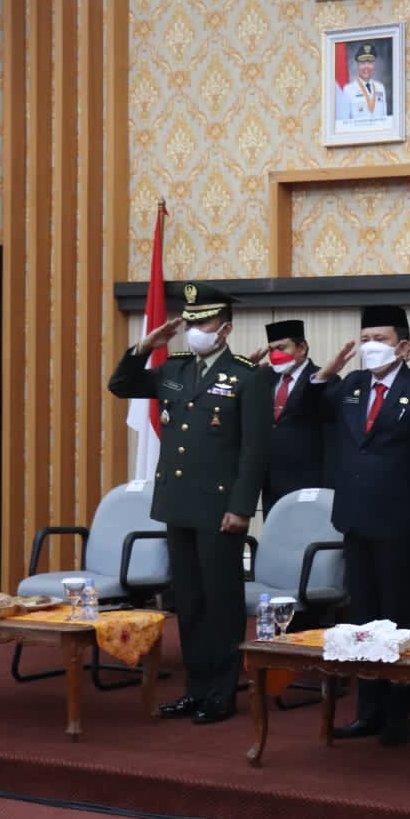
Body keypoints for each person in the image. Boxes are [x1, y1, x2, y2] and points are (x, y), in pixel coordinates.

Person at [107, 282, 269, 725]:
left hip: (220, 510)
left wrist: (241, 507)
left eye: (205, 322)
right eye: (191, 321)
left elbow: (254, 451)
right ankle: (195, 690)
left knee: (221, 604)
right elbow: (121, 385)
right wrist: (145, 347)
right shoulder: (174, 368)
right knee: (190, 603)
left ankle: (220, 694)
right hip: (178, 504)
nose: (196, 329)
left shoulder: (247, 376)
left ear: (226, 328)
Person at [306, 305, 410, 747]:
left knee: (399, 619)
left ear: (403, 346)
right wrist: (324, 374)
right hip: (356, 518)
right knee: (363, 620)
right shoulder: (351, 384)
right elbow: (307, 411)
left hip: (402, 523)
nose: (371, 346)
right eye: (365, 338)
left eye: (380, 339)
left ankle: (398, 713)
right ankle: (367, 710)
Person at [259, 319, 326, 514]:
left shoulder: (322, 378)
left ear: (301, 348)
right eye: (271, 350)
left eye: (281, 348)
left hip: (308, 481)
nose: (275, 355)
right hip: (271, 481)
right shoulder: (265, 378)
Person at [337, 43, 389, 124]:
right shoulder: (348, 90)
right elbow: (344, 122)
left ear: (374, 65)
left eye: (370, 63)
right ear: (357, 65)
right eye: (363, 63)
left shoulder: (380, 87)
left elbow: (385, 118)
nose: (366, 67)